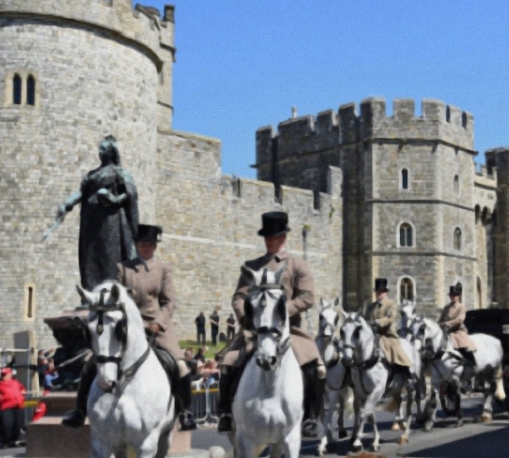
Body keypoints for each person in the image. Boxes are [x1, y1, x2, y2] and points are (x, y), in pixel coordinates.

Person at [62, 224, 197, 431]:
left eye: (151, 245)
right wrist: (130, 322)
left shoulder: (163, 269)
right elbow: (116, 300)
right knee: (92, 362)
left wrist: (157, 323)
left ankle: (185, 411)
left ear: (155, 247)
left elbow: (169, 302)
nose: (147, 248)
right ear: (137, 245)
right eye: (143, 244)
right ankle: (79, 411)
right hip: (128, 325)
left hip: (158, 325)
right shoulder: (123, 269)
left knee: (180, 366)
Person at [217, 212, 323, 434]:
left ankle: (312, 416)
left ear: (283, 237)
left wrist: (282, 310)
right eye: (266, 237)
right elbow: (238, 296)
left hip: (288, 329)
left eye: (273, 237)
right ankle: (226, 411)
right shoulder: (251, 266)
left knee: (313, 363)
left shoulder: (297, 265)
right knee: (229, 360)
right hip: (255, 330)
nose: (269, 241)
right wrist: (245, 316)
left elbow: (308, 296)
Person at [54, 135, 139, 290]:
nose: (100, 152)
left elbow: (131, 194)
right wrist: (67, 204)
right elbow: (82, 192)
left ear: (112, 152)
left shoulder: (118, 172)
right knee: (89, 257)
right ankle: (91, 293)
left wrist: (113, 199)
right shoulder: (92, 174)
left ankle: (111, 292)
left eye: (103, 149)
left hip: (109, 222)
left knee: (109, 256)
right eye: (99, 149)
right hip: (90, 221)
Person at [439, 283, 476, 367]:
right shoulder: (446, 307)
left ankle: (471, 362)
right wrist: (438, 325)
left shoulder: (461, 307)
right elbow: (441, 319)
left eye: (455, 295)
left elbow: (460, 319)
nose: (453, 297)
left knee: (462, 343)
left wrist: (447, 323)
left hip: (458, 330)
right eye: (452, 295)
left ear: (458, 296)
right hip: (446, 331)